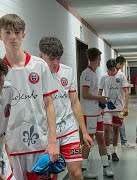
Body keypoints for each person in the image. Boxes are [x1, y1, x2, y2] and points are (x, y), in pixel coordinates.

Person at [0, 14, 59, 179]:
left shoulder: (39, 65)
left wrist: (53, 142)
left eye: (17, 33)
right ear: (0, 35)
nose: (13, 37)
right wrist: (3, 149)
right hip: (11, 148)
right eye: (8, 32)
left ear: (23, 35)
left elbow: (49, 105)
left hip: (40, 145)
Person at [39, 36, 94, 180]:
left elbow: (75, 103)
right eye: (51, 59)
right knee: (50, 175)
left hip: (69, 129)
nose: (55, 63)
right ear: (41, 56)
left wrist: (84, 132)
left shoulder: (68, 72)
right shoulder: (35, 74)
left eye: (58, 58)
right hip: (48, 132)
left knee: (76, 173)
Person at [80, 47, 114, 178]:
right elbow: (85, 94)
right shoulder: (87, 74)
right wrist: (99, 98)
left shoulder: (93, 74)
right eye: (100, 59)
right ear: (96, 59)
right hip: (88, 113)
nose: (100, 61)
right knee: (89, 141)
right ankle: (83, 169)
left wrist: (100, 101)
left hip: (96, 112)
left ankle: (106, 167)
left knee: (101, 138)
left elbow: (91, 93)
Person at [99, 59, 129, 162]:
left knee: (116, 129)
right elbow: (100, 91)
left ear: (115, 67)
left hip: (119, 107)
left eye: (113, 69)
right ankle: (107, 151)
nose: (112, 72)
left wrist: (126, 106)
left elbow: (126, 91)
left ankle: (114, 151)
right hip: (107, 106)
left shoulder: (121, 76)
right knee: (106, 129)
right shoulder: (104, 77)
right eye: (110, 70)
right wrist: (100, 107)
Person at [111, 56, 135, 148]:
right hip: (118, 103)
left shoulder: (110, 74)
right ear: (119, 64)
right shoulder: (120, 75)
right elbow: (124, 90)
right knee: (120, 122)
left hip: (111, 103)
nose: (122, 66)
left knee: (114, 122)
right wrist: (126, 106)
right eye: (122, 64)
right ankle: (123, 142)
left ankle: (115, 142)